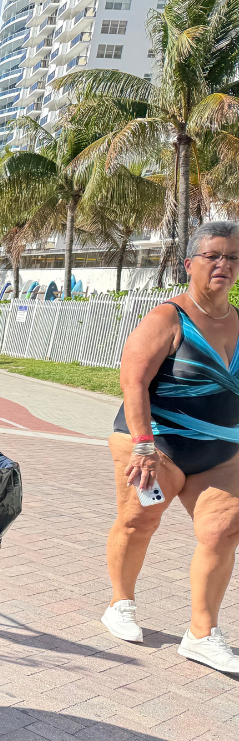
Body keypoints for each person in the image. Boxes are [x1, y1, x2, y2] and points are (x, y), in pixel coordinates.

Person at [104, 220, 239, 673]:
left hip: (218, 452)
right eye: (213, 255)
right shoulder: (168, 317)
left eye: (233, 257)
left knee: (223, 532)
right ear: (189, 264)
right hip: (155, 445)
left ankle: (202, 634)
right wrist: (142, 445)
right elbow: (133, 380)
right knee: (139, 519)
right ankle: (120, 603)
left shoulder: (238, 322)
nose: (224, 264)